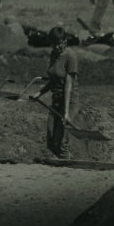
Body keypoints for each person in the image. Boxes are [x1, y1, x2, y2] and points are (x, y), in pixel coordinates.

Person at [30, 27, 78, 159]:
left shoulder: (71, 57)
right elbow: (52, 80)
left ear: (65, 41)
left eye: (60, 43)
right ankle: (66, 161)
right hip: (56, 100)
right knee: (51, 141)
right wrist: (39, 93)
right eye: (54, 44)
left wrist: (66, 112)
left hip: (69, 100)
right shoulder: (53, 55)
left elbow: (68, 84)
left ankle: (69, 166)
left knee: (62, 142)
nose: (57, 47)